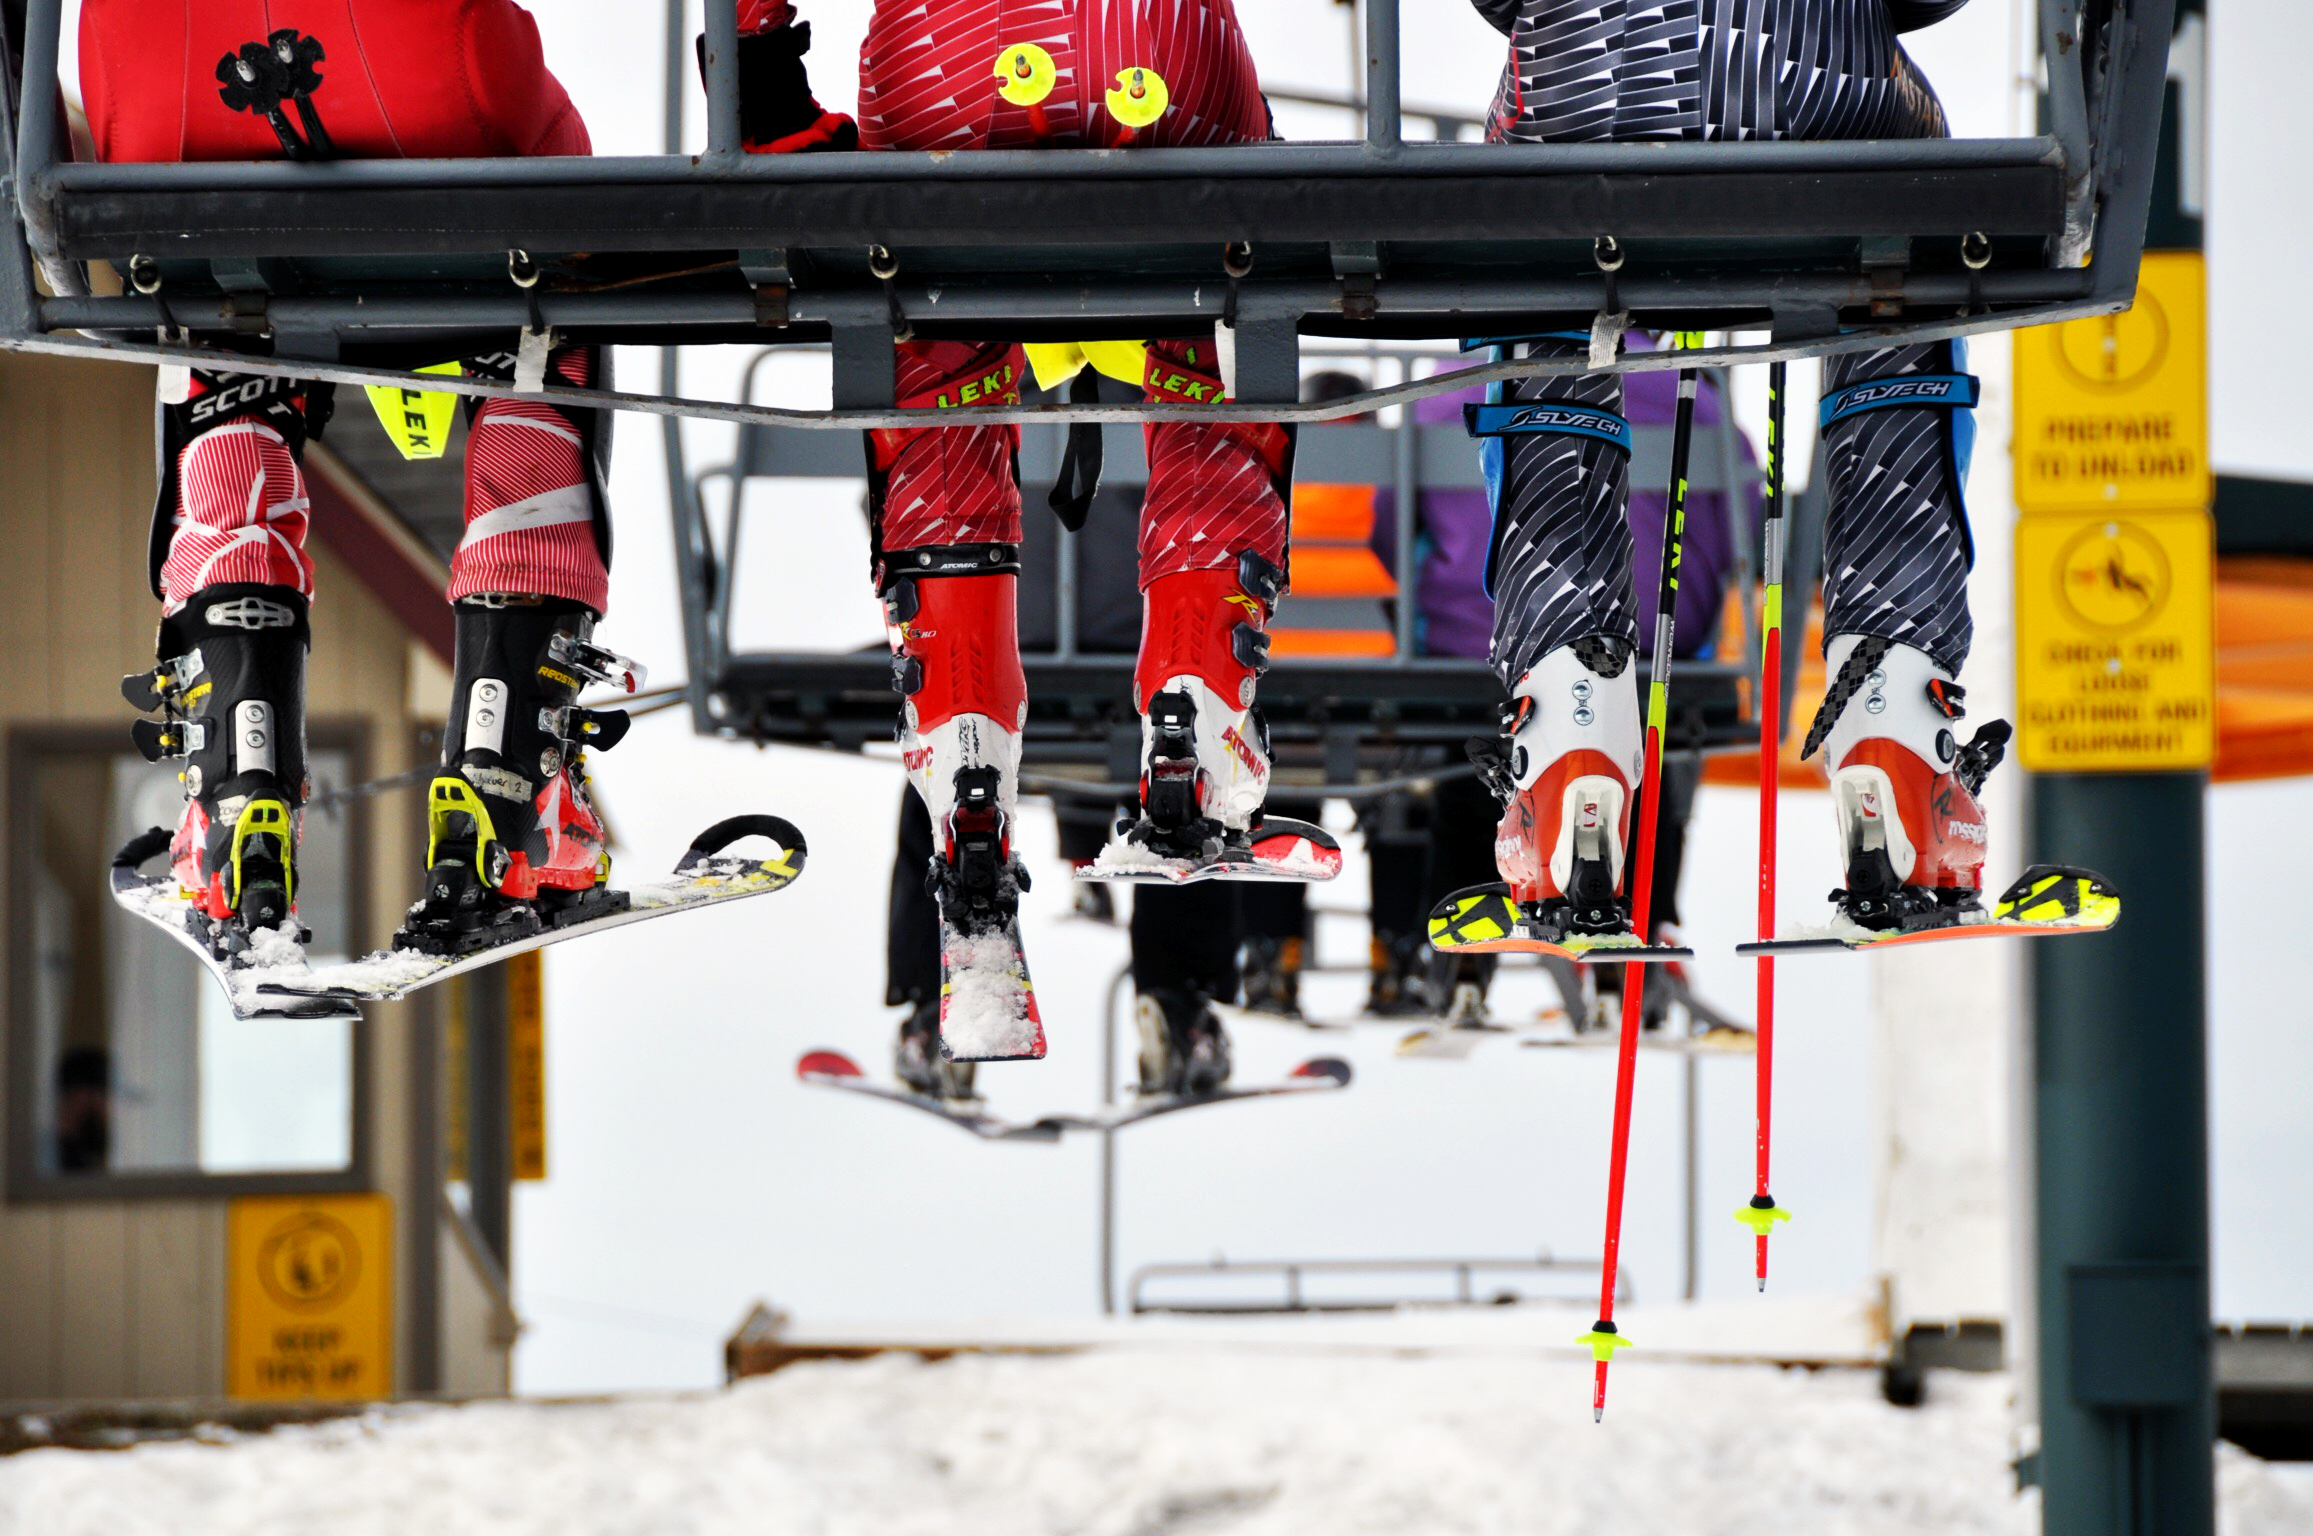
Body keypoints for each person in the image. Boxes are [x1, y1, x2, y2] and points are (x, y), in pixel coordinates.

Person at [754, 1, 1296, 1059]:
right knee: (1224, 336)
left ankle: (965, 788)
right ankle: (1198, 717)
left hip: (942, 73)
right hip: (1159, 54)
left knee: (931, 379)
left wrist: (759, 76)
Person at [85, 1, 638, 959]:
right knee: (550, 271)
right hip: (427, 86)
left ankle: (235, 809)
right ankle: (506, 802)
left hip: (161, 108)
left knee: (217, 336)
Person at [1464, 0, 2006, 940]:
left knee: (1530, 263)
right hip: (1824, 102)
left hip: (1586, 101)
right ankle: (1897, 725)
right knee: (1907, 243)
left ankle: (1565, 738)